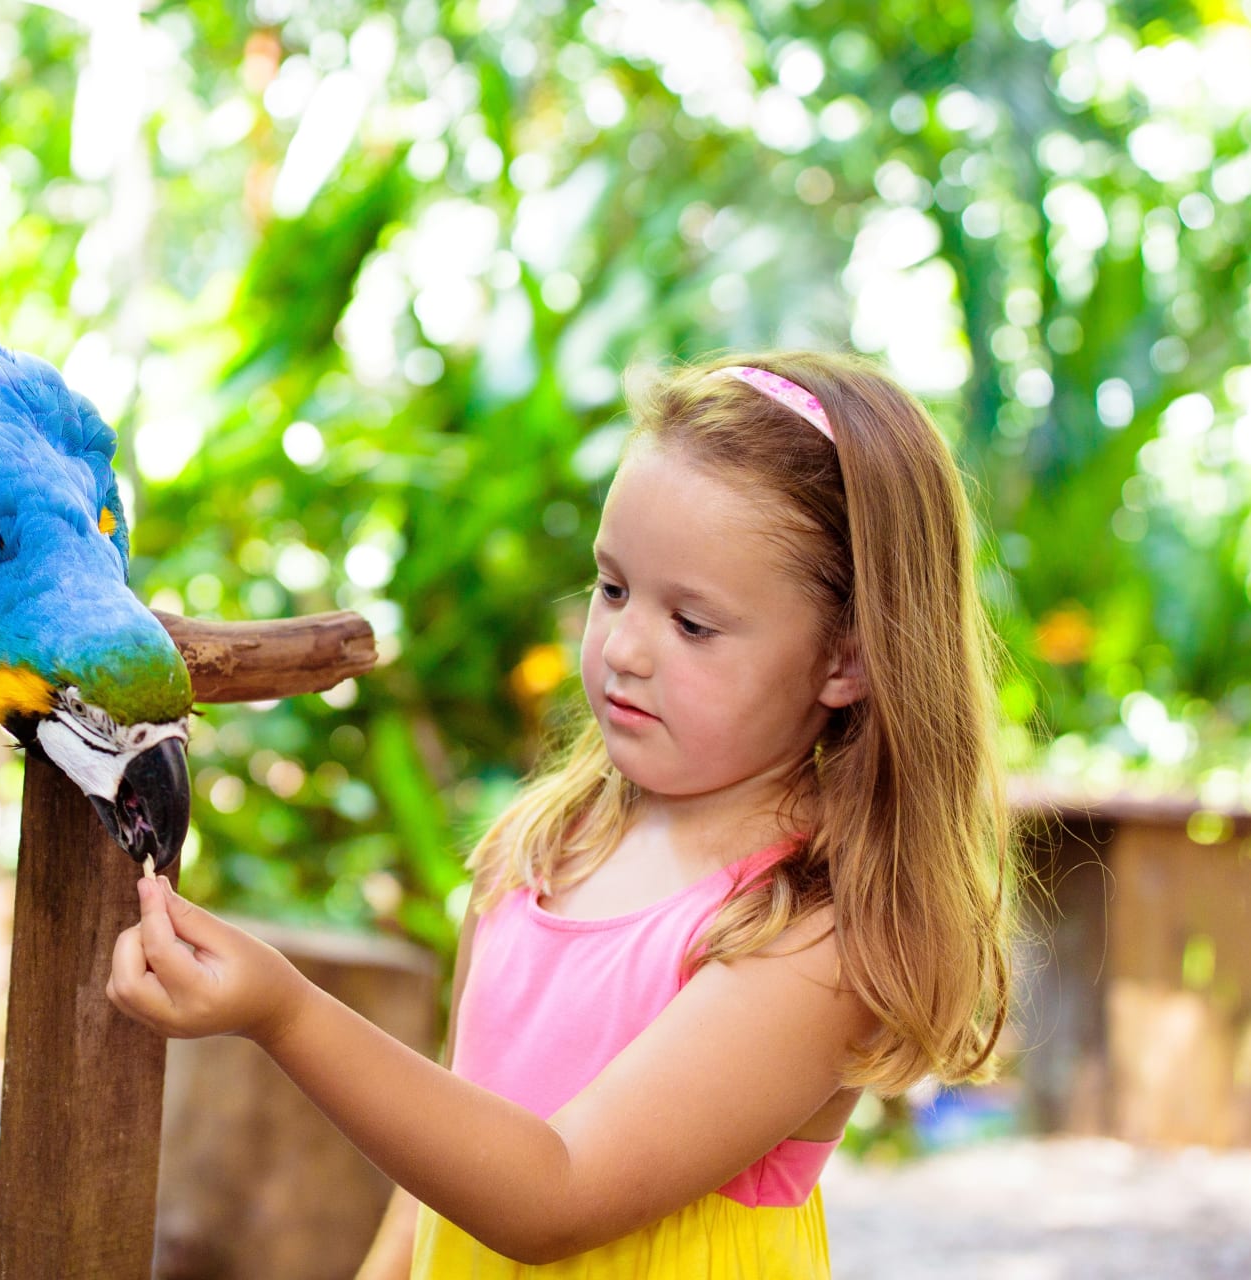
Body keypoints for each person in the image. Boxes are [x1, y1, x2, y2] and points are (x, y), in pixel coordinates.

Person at [106, 351, 1017, 1277]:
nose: (622, 647)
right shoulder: (545, 849)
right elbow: (445, 1159)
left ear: (846, 661)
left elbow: (556, 1196)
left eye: (692, 625)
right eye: (612, 588)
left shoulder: (811, 932)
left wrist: (287, 1013)